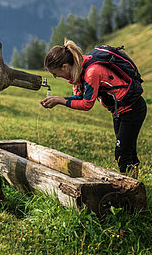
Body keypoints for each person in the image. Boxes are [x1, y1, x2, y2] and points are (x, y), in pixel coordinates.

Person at [40, 40, 147, 178]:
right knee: (128, 149)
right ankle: (134, 183)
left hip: (132, 109)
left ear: (65, 67)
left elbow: (87, 104)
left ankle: (127, 188)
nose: (55, 77)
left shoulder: (91, 72)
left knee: (122, 152)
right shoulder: (78, 73)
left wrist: (60, 100)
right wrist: (58, 99)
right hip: (119, 111)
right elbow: (79, 97)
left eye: (55, 73)